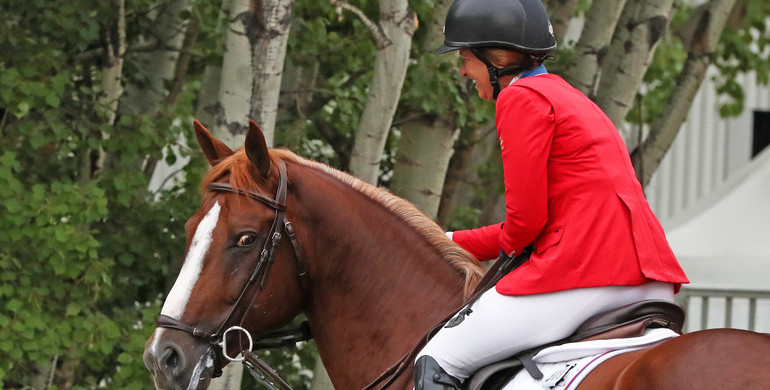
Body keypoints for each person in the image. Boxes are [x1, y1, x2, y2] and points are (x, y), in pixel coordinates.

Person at [413, 0, 690, 389]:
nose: (462, 70)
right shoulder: (566, 95)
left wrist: (455, 243)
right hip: (646, 276)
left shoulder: (520, 97)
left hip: (589, 274)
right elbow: (543, 222)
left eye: (465, 57)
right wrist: (452, 242)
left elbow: (525, 225)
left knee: (438, 356)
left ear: (498, 57)